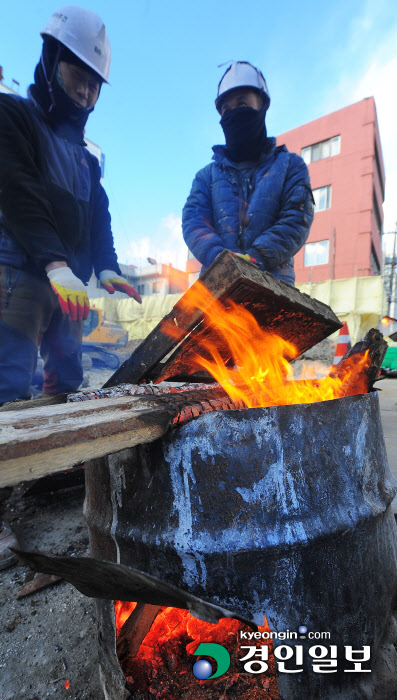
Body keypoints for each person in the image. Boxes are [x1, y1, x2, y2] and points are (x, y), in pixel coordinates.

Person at [0, 5, 142, 406]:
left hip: (70, 289)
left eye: (93, 85)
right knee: (8, 382)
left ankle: (58, 466)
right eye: (78, 76)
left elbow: (100, 218)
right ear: (50, 62)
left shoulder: (86, 159)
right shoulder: (12, 116)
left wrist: (107, 266)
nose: (85, 91)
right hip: (20, 275)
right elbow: (18, 191)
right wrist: (55, 264)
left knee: (67, 384)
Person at [182, 61, 315, 285]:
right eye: (226, 109)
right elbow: (194, 222)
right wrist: (221, 260)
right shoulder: (206, 177)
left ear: (261, 105)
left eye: (242, 103)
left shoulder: (291, 166)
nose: (233, 113)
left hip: (274, 290)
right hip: (219, 290)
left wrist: (255, 256)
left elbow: (296, 219)